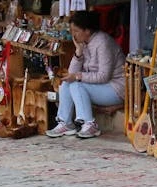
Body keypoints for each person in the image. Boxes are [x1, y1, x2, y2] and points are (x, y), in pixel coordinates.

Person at [46, 10, 125, 139]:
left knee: (77, 85)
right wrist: (78, 53)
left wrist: (78, 76)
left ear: (87, 31)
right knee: (67, 82)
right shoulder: (85, 43)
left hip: (116, 88)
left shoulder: (102, 43)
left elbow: (103, 76)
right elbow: (72, 74)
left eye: (76, 31)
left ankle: (89, 124)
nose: (73, 35)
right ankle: (65, 123)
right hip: (100, 87)